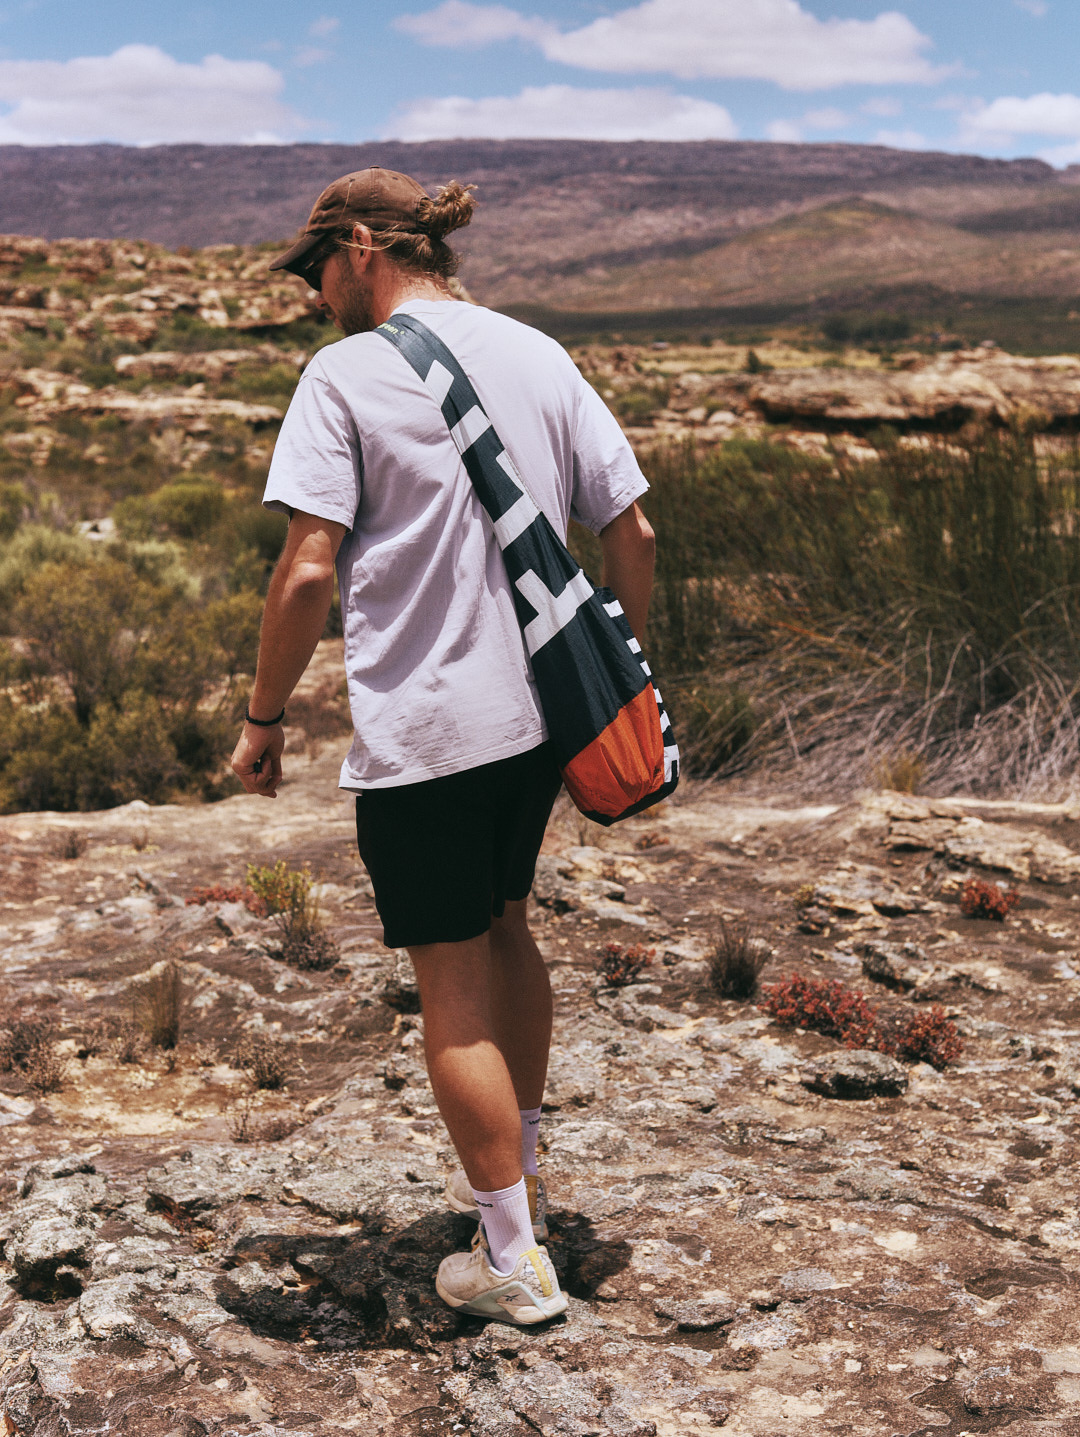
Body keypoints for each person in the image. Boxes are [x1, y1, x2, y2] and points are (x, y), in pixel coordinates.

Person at [230, 166, 655, 1325]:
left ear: (362, 248)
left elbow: (307, 570)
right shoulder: (539, 353)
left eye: (317, 269)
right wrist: (621, 668)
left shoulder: (344, 374)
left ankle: (511, 1259)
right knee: (508, 928)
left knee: (450, 987)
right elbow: (633, 530)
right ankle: (520, 1189)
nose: (315, 294)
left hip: (428, 731)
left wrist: (263, 719)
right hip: (540, 722)